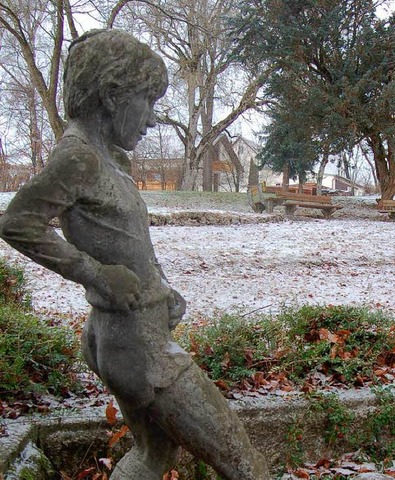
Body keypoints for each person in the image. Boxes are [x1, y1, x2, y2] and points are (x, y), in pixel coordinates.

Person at [0, 29, 269, 480]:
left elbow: (126, 237)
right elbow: (16, 223)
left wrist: (159, 289)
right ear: (111, 94)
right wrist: (96, 274)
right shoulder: (79, 158)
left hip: (124, 333)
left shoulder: (109, 159)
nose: (151, 120)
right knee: (243, 463)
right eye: (147, 100)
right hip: (138, 349)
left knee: (153, 457)